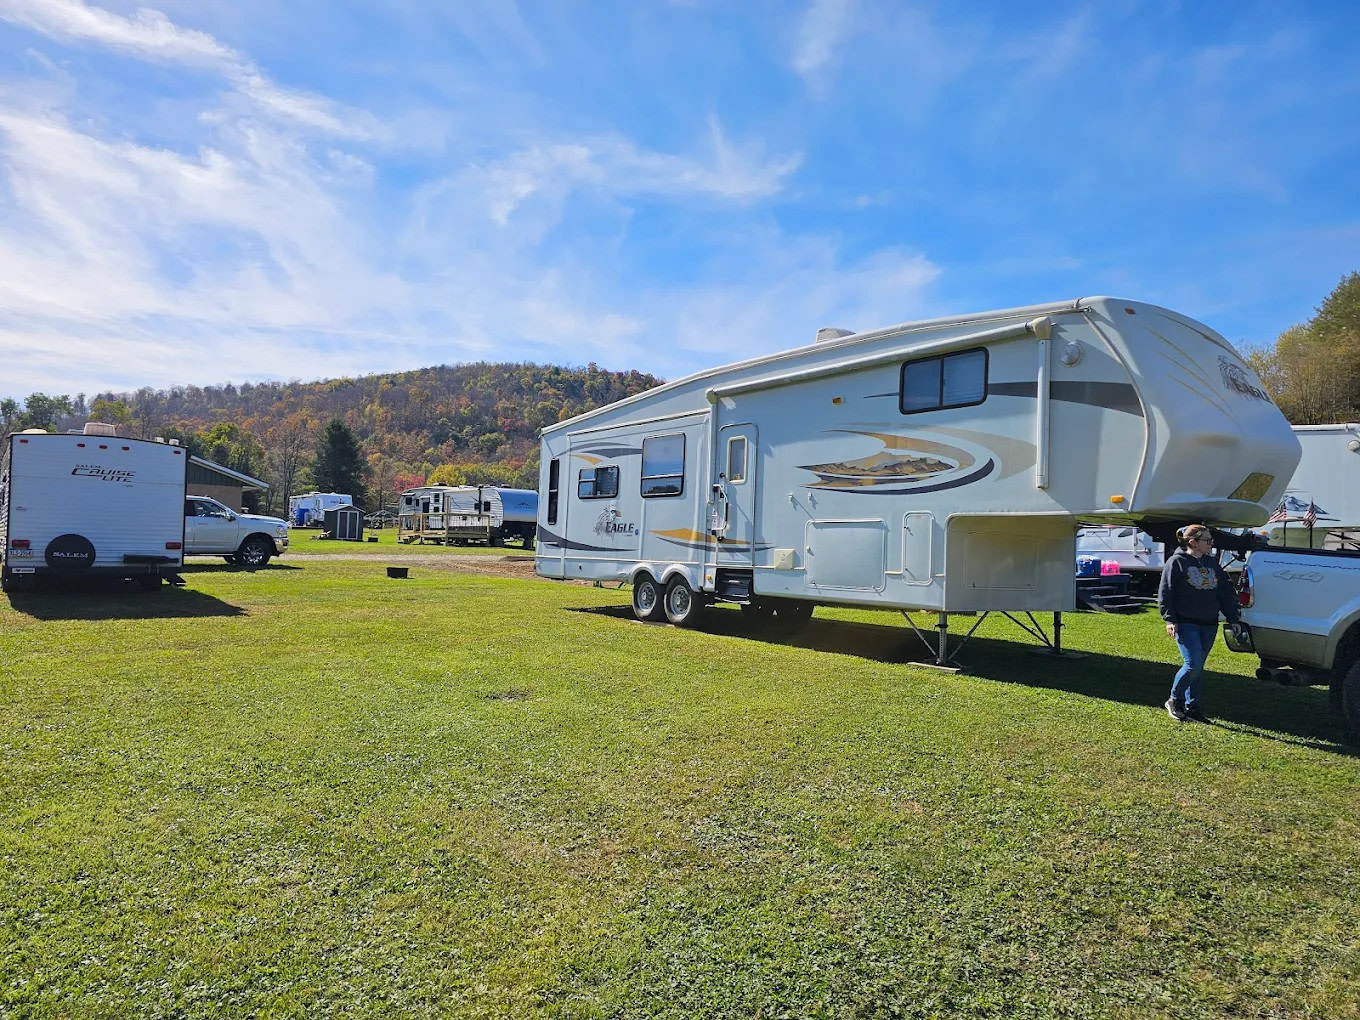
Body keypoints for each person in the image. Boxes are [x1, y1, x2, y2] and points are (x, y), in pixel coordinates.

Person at [1157, 524, 1240, 723]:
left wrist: (1233, 617)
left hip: (1209, 623)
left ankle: (1193, 707)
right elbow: (1165, 593)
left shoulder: (1212, 564)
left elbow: (1224, 593)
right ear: (1193, 542)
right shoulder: (1176, 562)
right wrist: (1170, 620)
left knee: (1199, 667)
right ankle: (1174, 700)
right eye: (1207, 540)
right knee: (1192, 664)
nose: (1211, 544)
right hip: (1186, 623)